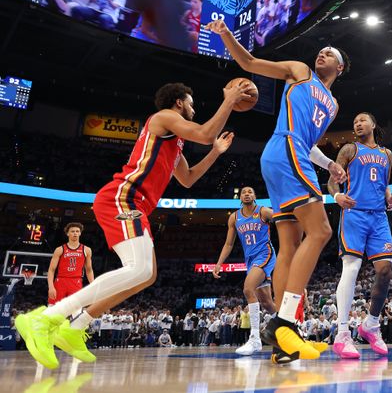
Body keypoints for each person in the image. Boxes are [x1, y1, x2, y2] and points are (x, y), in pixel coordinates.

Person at [14, 81, 249, 369]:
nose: (193, 107)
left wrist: (216, 152)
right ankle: (45, 318)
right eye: (190, 102)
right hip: (122, 198)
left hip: (136, 208)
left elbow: (187, 179)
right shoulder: (164, 118)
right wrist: (230, 99)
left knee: (146, 276)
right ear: (177, 103)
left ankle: (76, 326)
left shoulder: (176, 141)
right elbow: (204, 132)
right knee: (138, 269)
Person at [205, 19, 348, 363]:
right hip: (285, 150)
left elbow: (312, 143)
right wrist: (226, 35)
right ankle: (284, 321)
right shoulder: (300, 71)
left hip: (292, 155)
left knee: (291, 243)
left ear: (340, 68)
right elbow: (250, 64)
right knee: (322, 230)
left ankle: (286, 340)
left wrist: (329, 164)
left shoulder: (332, 104)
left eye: (329, 53)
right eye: (321, 50)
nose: (321, 53)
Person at [329, 112, 392, 359]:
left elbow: (384, 183)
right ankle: (342, 334)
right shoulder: (349, 150)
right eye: (355, 121)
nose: (358, 123)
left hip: (379, 216)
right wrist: (337, 197)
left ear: (373, 123)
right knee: (351, 268)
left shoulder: (387, 154)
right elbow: (332, 182)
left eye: (362, 120)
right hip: (354, 213)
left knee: (385, 270)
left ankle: (370, 323)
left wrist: (389, 197)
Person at [212, 186, 276, 356]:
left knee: (248, 289)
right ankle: (290, 327)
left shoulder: (263, 211)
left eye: (250, 192)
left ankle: (255, 339)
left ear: (255, 196)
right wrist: (219, 263)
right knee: (267, 303)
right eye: (243, 192)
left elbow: (281, 217)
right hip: (250, 260)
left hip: (265, 254)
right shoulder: (234, 217)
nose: (247, 194)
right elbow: (229, 244)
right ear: (240, 197)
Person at [47, 222, 94, 307]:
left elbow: (89, 270)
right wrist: (51, 286)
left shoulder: (86, 250)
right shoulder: (60, 249)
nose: (75, 233)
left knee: (76, 310)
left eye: (77, 231)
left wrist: (93, 285)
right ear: (67, 233)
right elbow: (51, 270)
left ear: (80, 233)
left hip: (76, 281)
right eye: (72, 231)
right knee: (53, 309)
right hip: (60, 281)